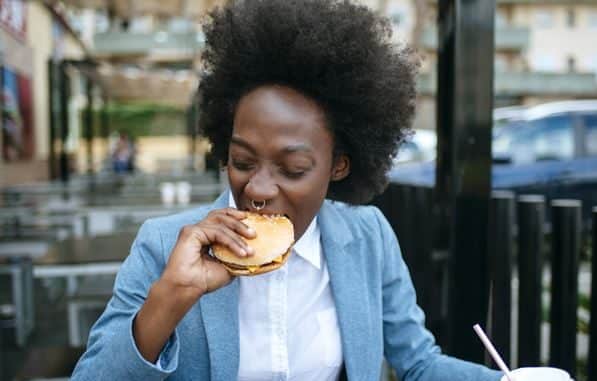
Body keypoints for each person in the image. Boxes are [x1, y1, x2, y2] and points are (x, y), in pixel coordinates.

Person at [71, 1, 503, 380]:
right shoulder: (164, 245)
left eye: (293, 168)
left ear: (339, 165)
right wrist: (171, 297)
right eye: (241, 162)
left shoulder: (368, 236)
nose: (257, 189)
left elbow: (419, 365)